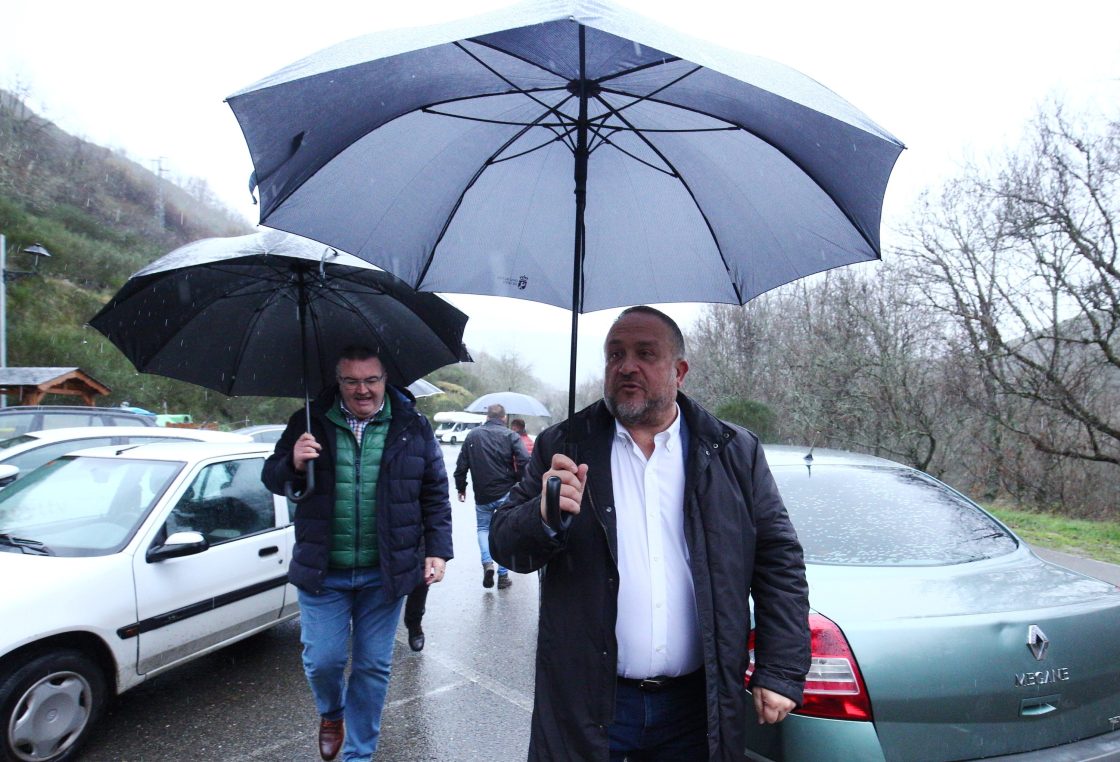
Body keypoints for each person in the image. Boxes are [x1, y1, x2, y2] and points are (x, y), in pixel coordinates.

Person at [489, 306, 810, 761]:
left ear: (679, 370)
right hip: (590, 705)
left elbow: (779, 563)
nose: (626, 366)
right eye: (615, 354)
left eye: (645, 353)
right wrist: (542, 517)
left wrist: (779, 669)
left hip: (697, 707)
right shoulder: (563, 448)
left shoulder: (732, 453)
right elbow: (506, 545)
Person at [262, 345, 452, 762]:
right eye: (351, 381)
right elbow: (271, 476)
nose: (362, 390)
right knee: (324, 661)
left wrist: (438, 549)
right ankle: (332, 714)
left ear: (386, 380)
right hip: (322, 571)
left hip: (383, 573)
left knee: (372, 667)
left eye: (371, 380)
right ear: (338, 382)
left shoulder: (412, 426)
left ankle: (358, 755)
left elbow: (435, 492)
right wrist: (292, 463)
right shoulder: (308, 421)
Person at [454, 403, 529, 590]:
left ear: (487, 416)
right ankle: (503, 576)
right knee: (503, 532)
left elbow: (461, 466)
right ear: (504, 418)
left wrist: (461, 487)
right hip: (506, 492)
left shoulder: (473, 435)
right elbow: (524, 460)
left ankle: (487, 563)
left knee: (483, 528)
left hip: (483, 495)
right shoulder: (511, 435)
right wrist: (521, 483)